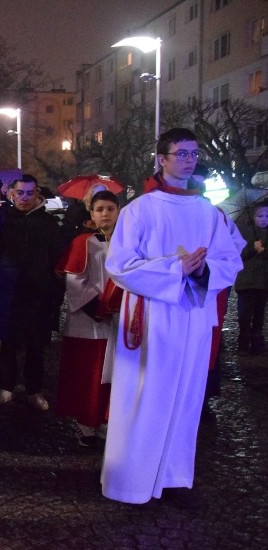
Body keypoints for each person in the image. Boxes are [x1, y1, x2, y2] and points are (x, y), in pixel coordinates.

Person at [101, 128, 243, 506]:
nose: (189, 160)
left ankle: (174, 478)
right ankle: (131, 480)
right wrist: (174, 269)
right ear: (161, 159)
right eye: (180, 153)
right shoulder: (139, 209)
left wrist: (200, 272)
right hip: (151, 316)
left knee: (186, 396)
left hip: (192, 314)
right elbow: (120, 265)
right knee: (147, 395)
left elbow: (230, 261)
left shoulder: (208, 212)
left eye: (193, 153)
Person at [0, 175, 64, 411]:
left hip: (38, 294)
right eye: (20, 193)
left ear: (37, 193)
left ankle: (33, 389)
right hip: (9, 292)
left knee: (36, 345)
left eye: (29, 193)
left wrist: (55, 291)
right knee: (8, 342)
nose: (25, 198)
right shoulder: (4, 219)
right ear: (12, 194)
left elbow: (57, 258)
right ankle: (6, 386)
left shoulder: (48, 223)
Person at [55, 190, 121, 448]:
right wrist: (97, 308)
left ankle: (108, 422)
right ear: (91, 214)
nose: (105, 213)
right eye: (100, 209)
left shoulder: (128, 243)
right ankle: (86, 426)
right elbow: (74, 280)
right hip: (89, 321)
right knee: (88, 374)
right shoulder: (83, 242)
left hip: (118, 321)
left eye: (110, 208)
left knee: (115, 373)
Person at [234, 202, 268, 355]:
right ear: (253, 217)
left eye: (267, 216)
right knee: (244, 313)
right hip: (246, 281)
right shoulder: (243, 233)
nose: (264, 219)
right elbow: (237, 255)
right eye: (260, 216)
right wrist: (252, 249)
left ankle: (257, 342)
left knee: (259, 312)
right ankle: (243, 341)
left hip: (263, 281)